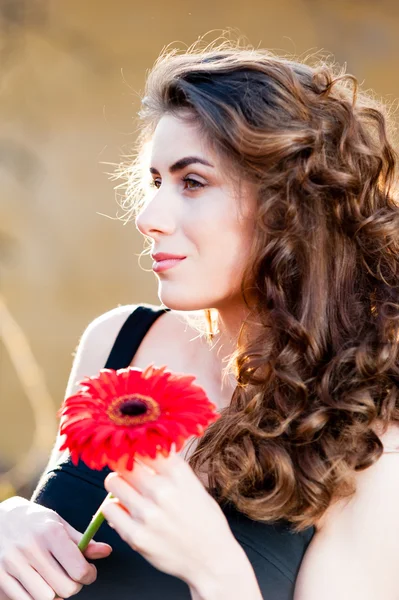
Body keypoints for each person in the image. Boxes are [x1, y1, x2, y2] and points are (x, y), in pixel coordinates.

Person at [1, 37, 399, 600]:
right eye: (157, 181)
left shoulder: (376, 436)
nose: (148, 216)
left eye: (193, 182)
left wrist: (216, 570)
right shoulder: (118, 343)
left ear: (295, 204)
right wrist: (11, 526)